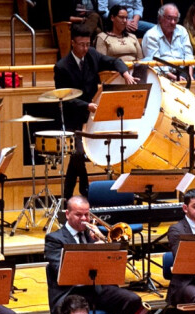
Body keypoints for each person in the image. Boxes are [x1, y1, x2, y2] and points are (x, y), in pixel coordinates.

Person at [53, 26, 135, 199]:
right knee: (78, 154)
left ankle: (67, 197)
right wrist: (86, 105)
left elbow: (114, 61)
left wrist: (125, 72)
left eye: (87, 44)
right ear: (73, 43)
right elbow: (65, 97)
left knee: (76, 158)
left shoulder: (92, 55)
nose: (85, 48)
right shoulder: (61, 67)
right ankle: (84, 188)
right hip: (74, 116)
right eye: (81, 45)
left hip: (93, 116)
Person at [44, 196, 144, 314]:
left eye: (87, 215)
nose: (84, 219)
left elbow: (115, 263)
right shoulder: (54, 239)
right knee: (72, 310)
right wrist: (93, 251)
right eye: (78, 215)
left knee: (133, 300)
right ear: (67, 214)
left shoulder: (93, 235)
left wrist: (105, 246)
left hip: (97, 290)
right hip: (71, 293)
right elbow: (64, 271)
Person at [141, 3, 191, 82]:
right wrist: (175, 78)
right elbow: (155, 64)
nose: (173, 22)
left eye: (175, 19)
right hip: (161, 75)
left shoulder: (182, 30)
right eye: (169, 18)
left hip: (183, 72)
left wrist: (190, 76)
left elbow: (189, 55)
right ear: (160, 18)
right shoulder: (151, 35)